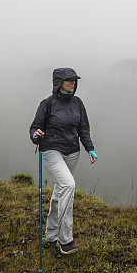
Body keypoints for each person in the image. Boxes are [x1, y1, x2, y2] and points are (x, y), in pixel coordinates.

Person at [29, 67, 97, 255]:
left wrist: (89, 148)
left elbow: (84, 128)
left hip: (73, 152)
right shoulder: (47, 103)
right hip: (51, 150)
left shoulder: (78, 103)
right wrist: (36, 135)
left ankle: (51, 234)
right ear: (59, 82)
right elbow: (35, 128)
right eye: (69, 80)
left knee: (60, 191)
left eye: (74, 79)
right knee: (68, 186)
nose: (73, 82)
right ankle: (65, 239)